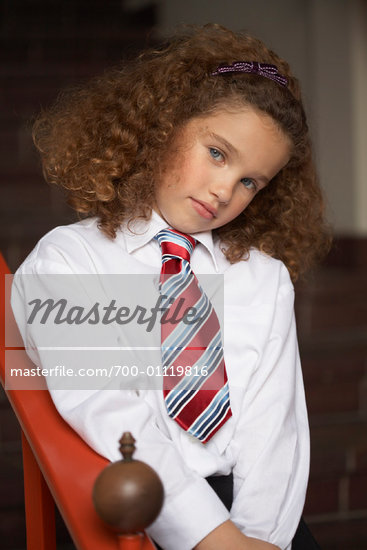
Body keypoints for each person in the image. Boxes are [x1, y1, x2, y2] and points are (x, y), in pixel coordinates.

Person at [11, 24, 330, 550]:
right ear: (165, 125)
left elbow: (276, 431)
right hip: (127, 507)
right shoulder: (69, 261)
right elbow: (107, 411)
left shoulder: (262, 277)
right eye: (218, 153)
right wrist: (213, 538)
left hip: (250, 519)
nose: (225, 189)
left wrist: (259, 538)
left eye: (252, 181)